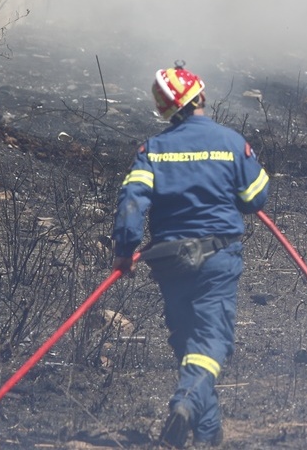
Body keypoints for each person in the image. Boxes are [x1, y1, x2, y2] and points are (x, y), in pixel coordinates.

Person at [110, 63, 270, 448]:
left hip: (169, 261)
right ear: (200, 96)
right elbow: (255, 199)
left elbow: (132, 201)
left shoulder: (152, 150)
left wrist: (125, 250)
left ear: (165, 110)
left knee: (187, 341)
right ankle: (184, 402)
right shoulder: (232, 142)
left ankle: (208, 433)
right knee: (212, 341)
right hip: (217, 257)